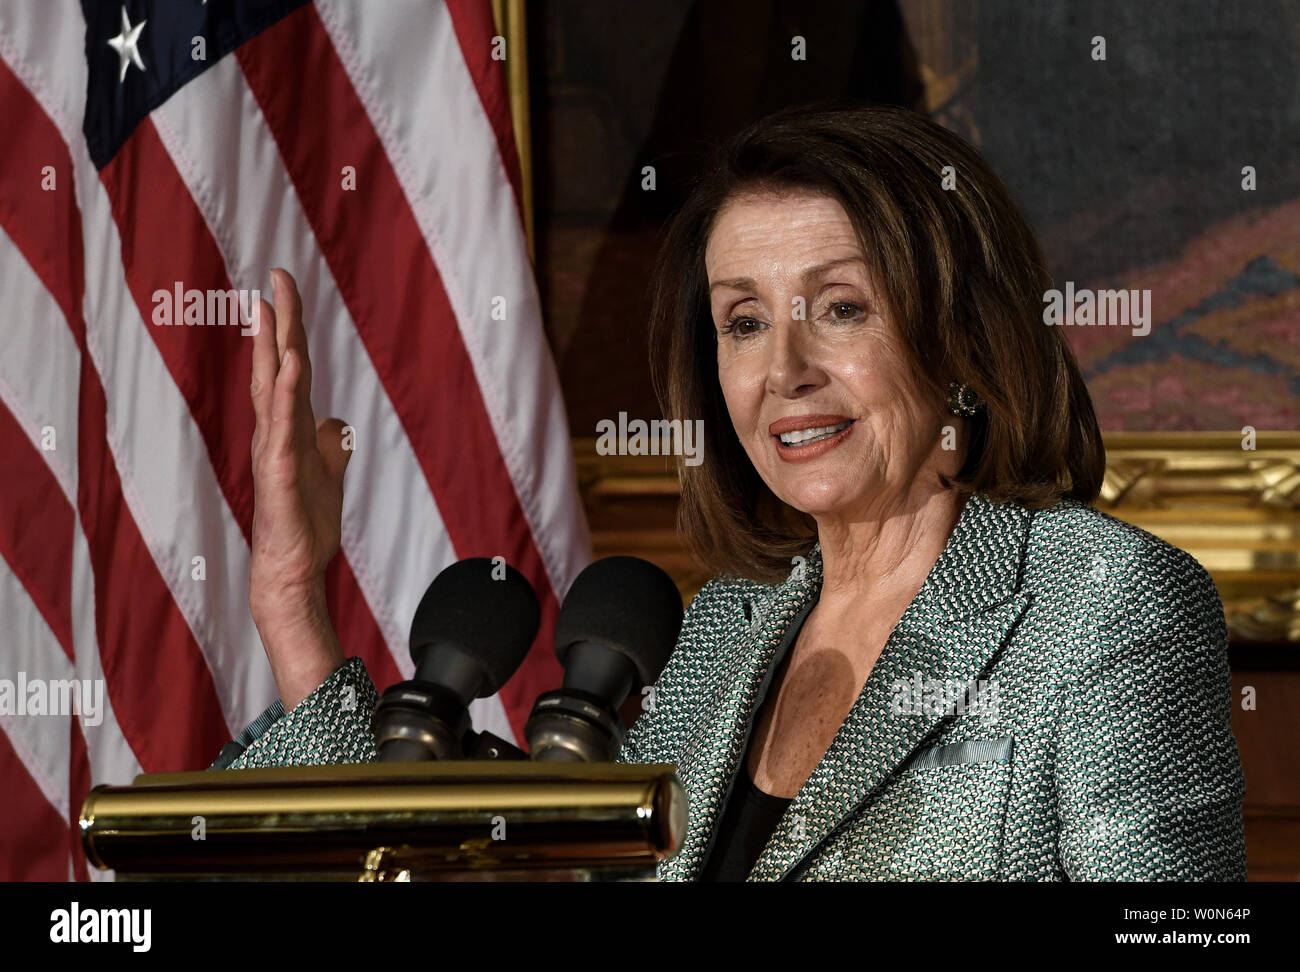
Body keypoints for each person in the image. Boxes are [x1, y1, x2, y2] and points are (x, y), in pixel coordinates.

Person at [218, 103, 1247, 882]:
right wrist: (288, 602)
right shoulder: (723, 631)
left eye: (839, 308)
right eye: (743, 322)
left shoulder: (1104, 602)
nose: (783, 369)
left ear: (962, 339)